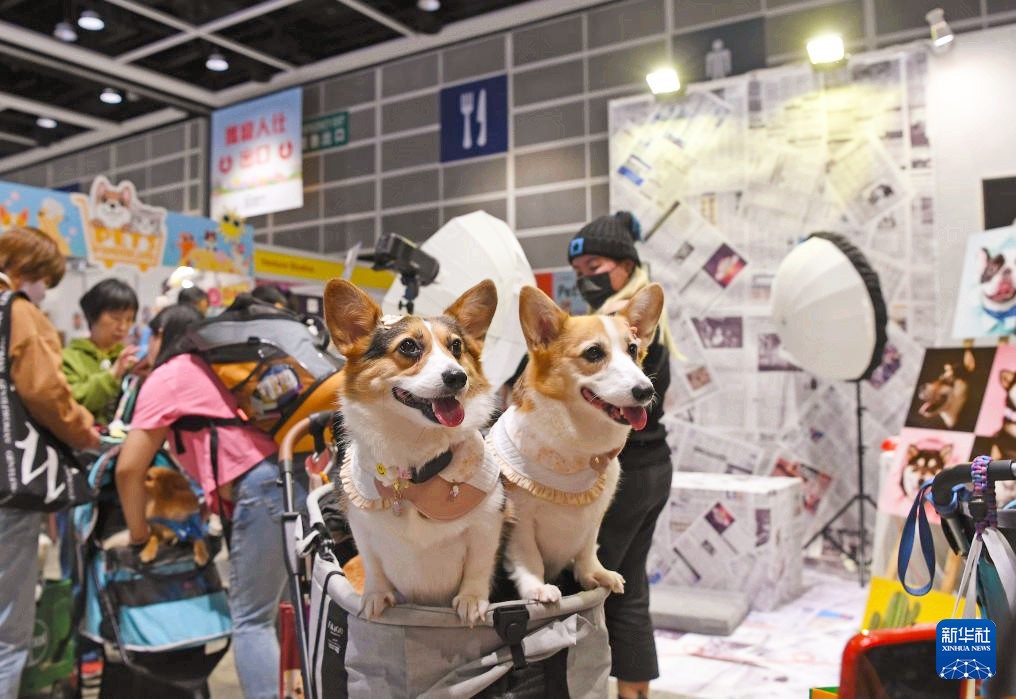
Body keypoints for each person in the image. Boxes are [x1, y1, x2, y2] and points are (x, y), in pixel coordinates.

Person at [114, 303, 305, 699]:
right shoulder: (210, 369)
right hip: (292, 478)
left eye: (149, 336)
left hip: (260, 490)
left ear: (164, 335)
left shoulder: (168, 375)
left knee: (250, 620)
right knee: (285, 614)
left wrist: (138, 534)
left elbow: (128, 469)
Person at [568, 211, 677, 699]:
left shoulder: (618, 329)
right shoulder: (634, 326)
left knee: (587, 587)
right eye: (577, 272)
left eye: (594, 264)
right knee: (626, 587)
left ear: (623, 263)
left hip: (623, 472)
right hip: (654, 468)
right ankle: (634, 692)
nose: (585, 278)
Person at [0, 227, 99, 699]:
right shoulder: (17, 311)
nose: (43, 291)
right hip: (7, 487)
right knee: (5, 632)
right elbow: (44, 392)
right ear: (25, 270)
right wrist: (85, 432)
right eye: (43, 279)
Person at [62, 278, 139, 424]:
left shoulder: (128, 359)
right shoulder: (69, 358)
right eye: (115, 318)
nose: (122, 327)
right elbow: (70, 403)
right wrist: (113, 375)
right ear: (92, 315)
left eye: (129, 319)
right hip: (81, 443)